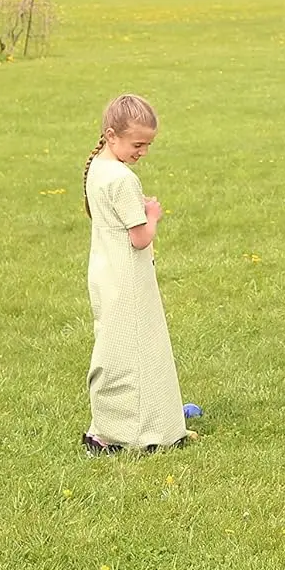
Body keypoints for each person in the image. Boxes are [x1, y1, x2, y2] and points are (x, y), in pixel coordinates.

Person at [81, 94, 195, 453]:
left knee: (116, 348)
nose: (142, 152)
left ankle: (154, 418)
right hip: (128, 276)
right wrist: (153, 214)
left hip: (104, 272)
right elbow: (140, 238)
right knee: (139, 351)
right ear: (112, 135)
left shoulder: (97, 168)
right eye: (137, 144)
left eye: (148, 145)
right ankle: (136, 432)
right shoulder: (122, 179)